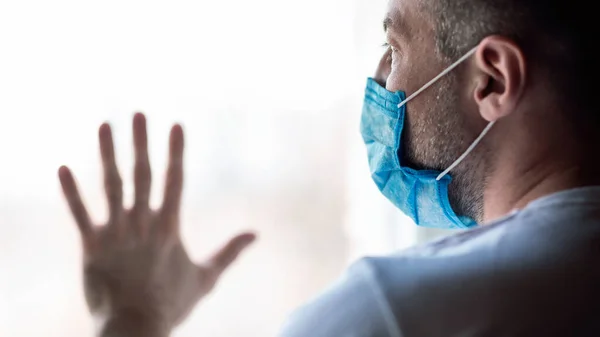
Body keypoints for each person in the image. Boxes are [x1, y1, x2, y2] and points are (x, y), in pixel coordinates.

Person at [58, 0, 600, 336]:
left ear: (492, 80)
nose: (381, 78)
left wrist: (132, 317)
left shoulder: (394, 314)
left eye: (394, 45)